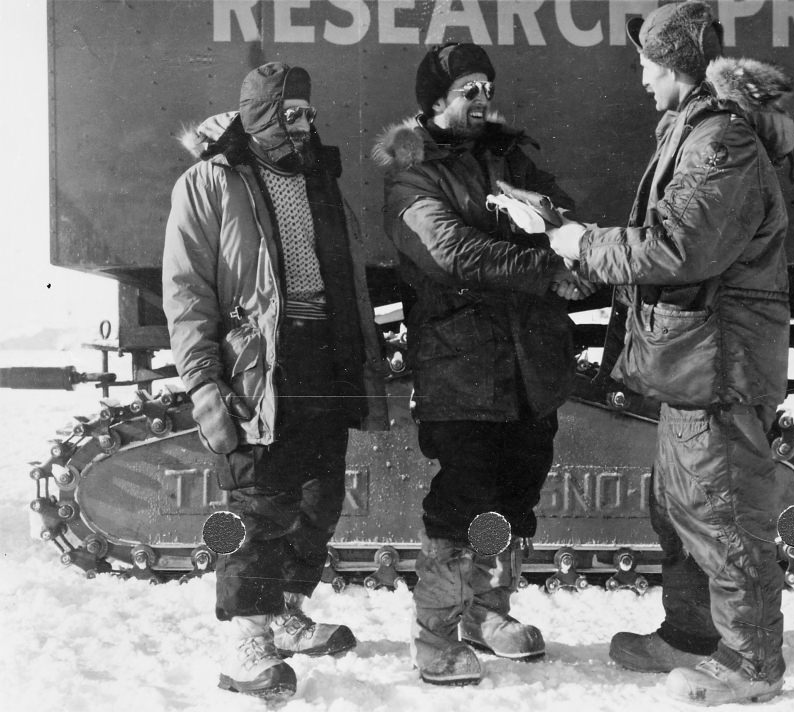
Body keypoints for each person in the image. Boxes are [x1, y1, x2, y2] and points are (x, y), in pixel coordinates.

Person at [545, 1, 794, 706]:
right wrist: (590, 258)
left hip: (716, 363)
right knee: (681, 509)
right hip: (693, 359)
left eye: (647, 67)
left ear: (678, 66)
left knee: (721, 513)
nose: (642, 81)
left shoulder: (721, 143)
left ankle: (750, 666)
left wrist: (583, 243)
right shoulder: (693, 133)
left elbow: (681, 248)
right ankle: (690, 637)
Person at [163, 62, 388, 699]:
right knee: (257, 504)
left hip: (325, 357)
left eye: (311, 115)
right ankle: (247, 641)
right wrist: (204, 383)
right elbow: (186, 293)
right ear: (260, 116)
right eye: (293, 115)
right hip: (256, 367)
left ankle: (286, 612)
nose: (307, 125)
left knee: (319, 495)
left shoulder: (318, 178)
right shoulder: (210, 182)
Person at [373, 42, 587, 686]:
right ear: (435, 102)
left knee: (513, 498)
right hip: (463, 367)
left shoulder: (511, 158)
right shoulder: (412, 175)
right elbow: (452, 253)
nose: (482, 100)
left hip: (528, 363)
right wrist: (546, 265)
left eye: (486, 88)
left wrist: (559, 235)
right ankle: (434, 631)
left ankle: (487, 611)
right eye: (468, 90)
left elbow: (564, 218)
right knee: (462, 500)